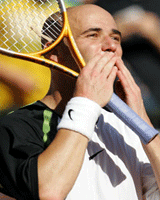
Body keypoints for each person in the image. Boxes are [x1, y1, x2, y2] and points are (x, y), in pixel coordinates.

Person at [0, 4, 160, 200]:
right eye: (93, 35)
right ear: (53, 52)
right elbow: (49, 192)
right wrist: (86, 101)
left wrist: (141, 120)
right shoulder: (17, 126)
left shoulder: (127, 126)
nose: (111, 45)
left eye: (116, 38)